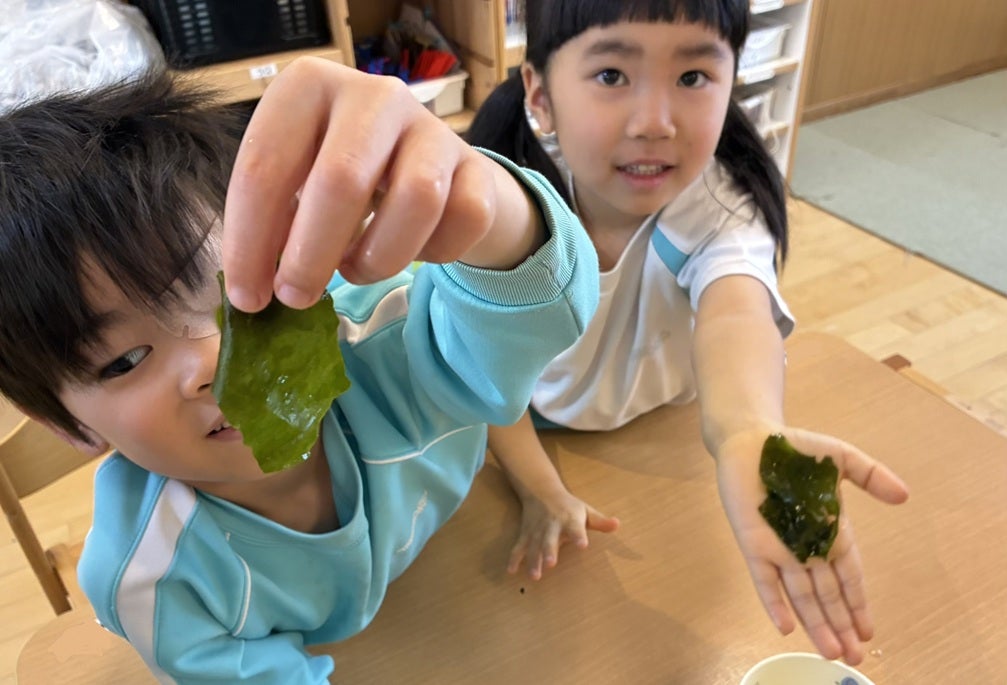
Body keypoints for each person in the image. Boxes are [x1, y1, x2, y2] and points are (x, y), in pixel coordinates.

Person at [0, 58, 599, 683]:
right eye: (124, 360)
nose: (212, 362)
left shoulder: (382, 340)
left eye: (232, 292)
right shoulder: (154, 578)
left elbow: (521, 324)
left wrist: (491, 210)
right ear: (65, 424)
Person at [466, 0, 909, 666]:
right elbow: (480, 370)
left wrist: (745, 432)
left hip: (655, 431)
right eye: (612, 75)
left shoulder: (718, 209)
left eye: (693, 77)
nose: (654, 123)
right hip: (520, 429)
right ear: (540, 93)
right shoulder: (508, 204)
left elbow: (736, 312)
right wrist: (541, 488)